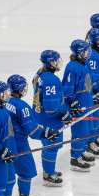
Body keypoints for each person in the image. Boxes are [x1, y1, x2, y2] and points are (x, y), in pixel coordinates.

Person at [5, 74, 60, 196]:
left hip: (6, 143)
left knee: (7, 175)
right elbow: (32, 129)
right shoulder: (21, 106)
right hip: (19, 144)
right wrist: (46, 133)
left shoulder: (4, 103)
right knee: (26, 171)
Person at [32, 50, 76, 180]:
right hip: (49, 120)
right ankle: (48, 174)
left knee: (49, 146)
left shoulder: (39, 74)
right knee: (51, 147)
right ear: (51, 63)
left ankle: (48, 170)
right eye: (56, 61)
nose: (58, 63)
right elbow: (51, 108)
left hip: (41, 117)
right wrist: (63, 114)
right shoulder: (51, 80)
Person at [63, 39, 99, 171]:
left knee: (86, 130)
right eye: (85, 50)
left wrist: (95, 90)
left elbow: (90, 80)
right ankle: (75, 159)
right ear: (78, 52)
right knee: (79, 132)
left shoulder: (85, 63)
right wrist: (72, 101)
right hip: (78, 106)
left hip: (87, 103)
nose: (88, 52)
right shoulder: (72, 67)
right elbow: (67, 88)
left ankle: (82, 151)